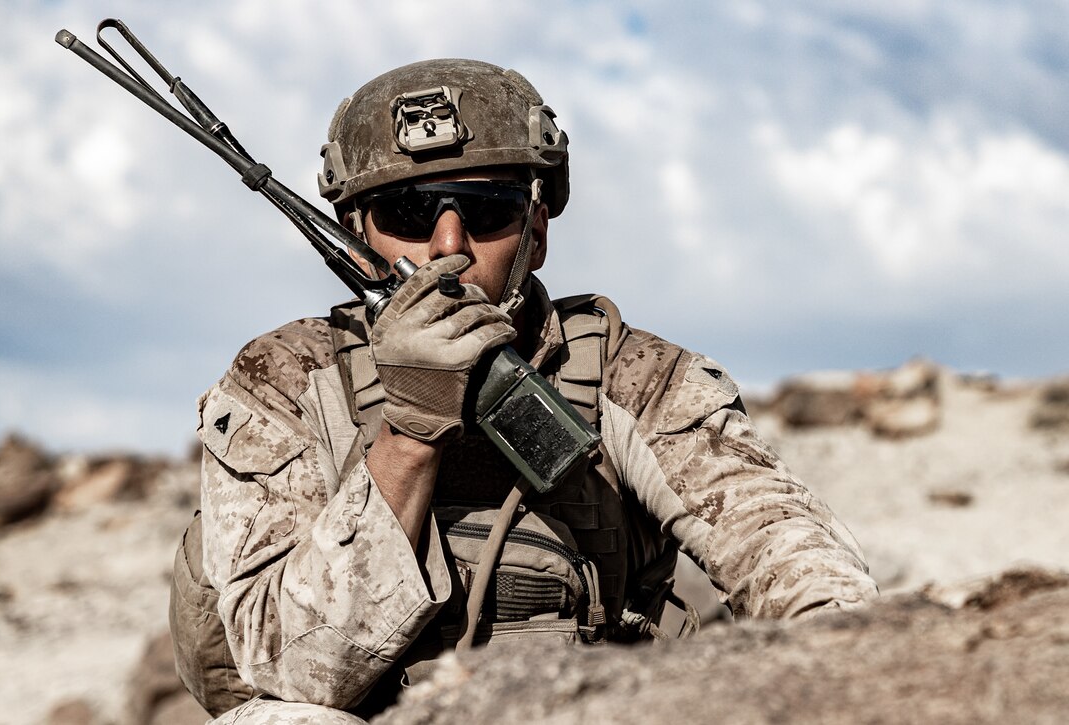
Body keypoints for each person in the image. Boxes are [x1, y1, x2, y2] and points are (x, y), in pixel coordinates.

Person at [169, 58, 878, 724]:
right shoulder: (284, 383)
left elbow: (806, 577)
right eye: (411, 215)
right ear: (357, 238)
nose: (448, 246)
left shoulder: (637, 380)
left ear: (536, 231)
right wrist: (410, 433)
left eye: (486, 212)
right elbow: (290, 670)